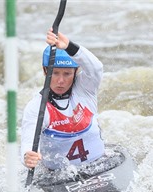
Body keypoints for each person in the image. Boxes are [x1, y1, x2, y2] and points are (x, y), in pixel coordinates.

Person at [20, 28, 105, 171]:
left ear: (76, 72)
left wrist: (69, 46)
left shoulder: (85, 88)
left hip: (102, 165)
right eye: (55, 73)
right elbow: (28, 141)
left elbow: (96, 68)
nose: (60, 81)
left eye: (67, 74)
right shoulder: (37, 107)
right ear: (45, 70)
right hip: (60, 177)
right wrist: (27, 156)